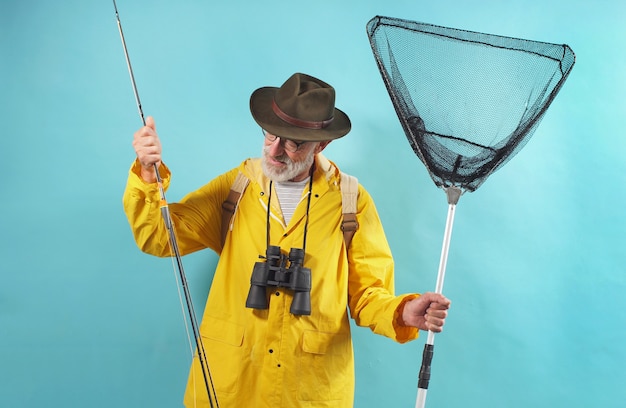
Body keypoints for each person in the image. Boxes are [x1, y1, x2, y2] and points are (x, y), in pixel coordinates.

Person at [123, 72, 451, 408]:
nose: (276, 151)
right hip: (231, 383)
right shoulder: (237, 188)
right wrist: (149, 175)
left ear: (322, 144)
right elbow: (158, 237)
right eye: (271, 136)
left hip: (308, 389)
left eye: (293, 142)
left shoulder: (351, 200)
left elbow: (368, 294)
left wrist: (404, 311)